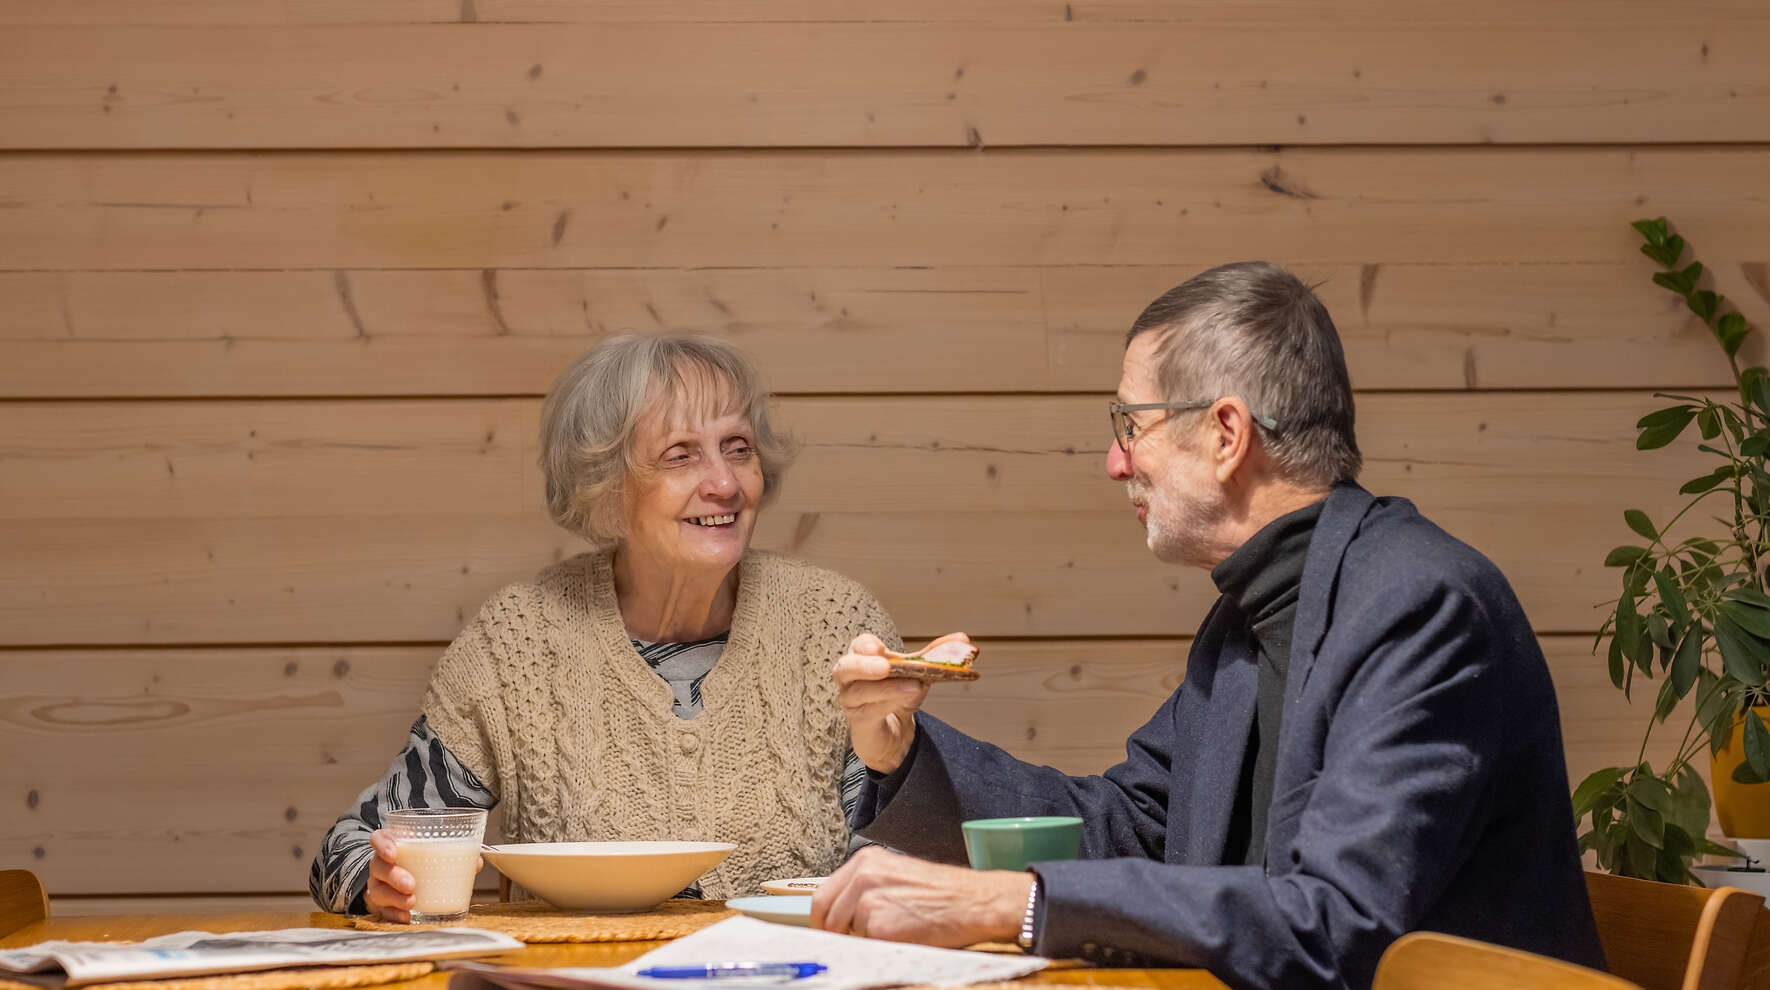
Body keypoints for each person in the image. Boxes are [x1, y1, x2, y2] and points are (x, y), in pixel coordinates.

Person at [813, 263, 1605, 990]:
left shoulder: (1420, 605)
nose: (1115, 463)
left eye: (1131, 424)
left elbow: (1339, 922)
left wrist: (1005, 905)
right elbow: (1129, 828)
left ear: (1227, 435)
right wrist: (905, 751)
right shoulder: (1249, 616)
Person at [309, 334, 901, 920]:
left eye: (738, 448)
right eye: (682, 454)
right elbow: (347, 850)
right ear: (609, 486)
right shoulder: (517, 644)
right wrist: (383, 879)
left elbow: (905, 850)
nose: (725, 483)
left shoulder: (836, 626)